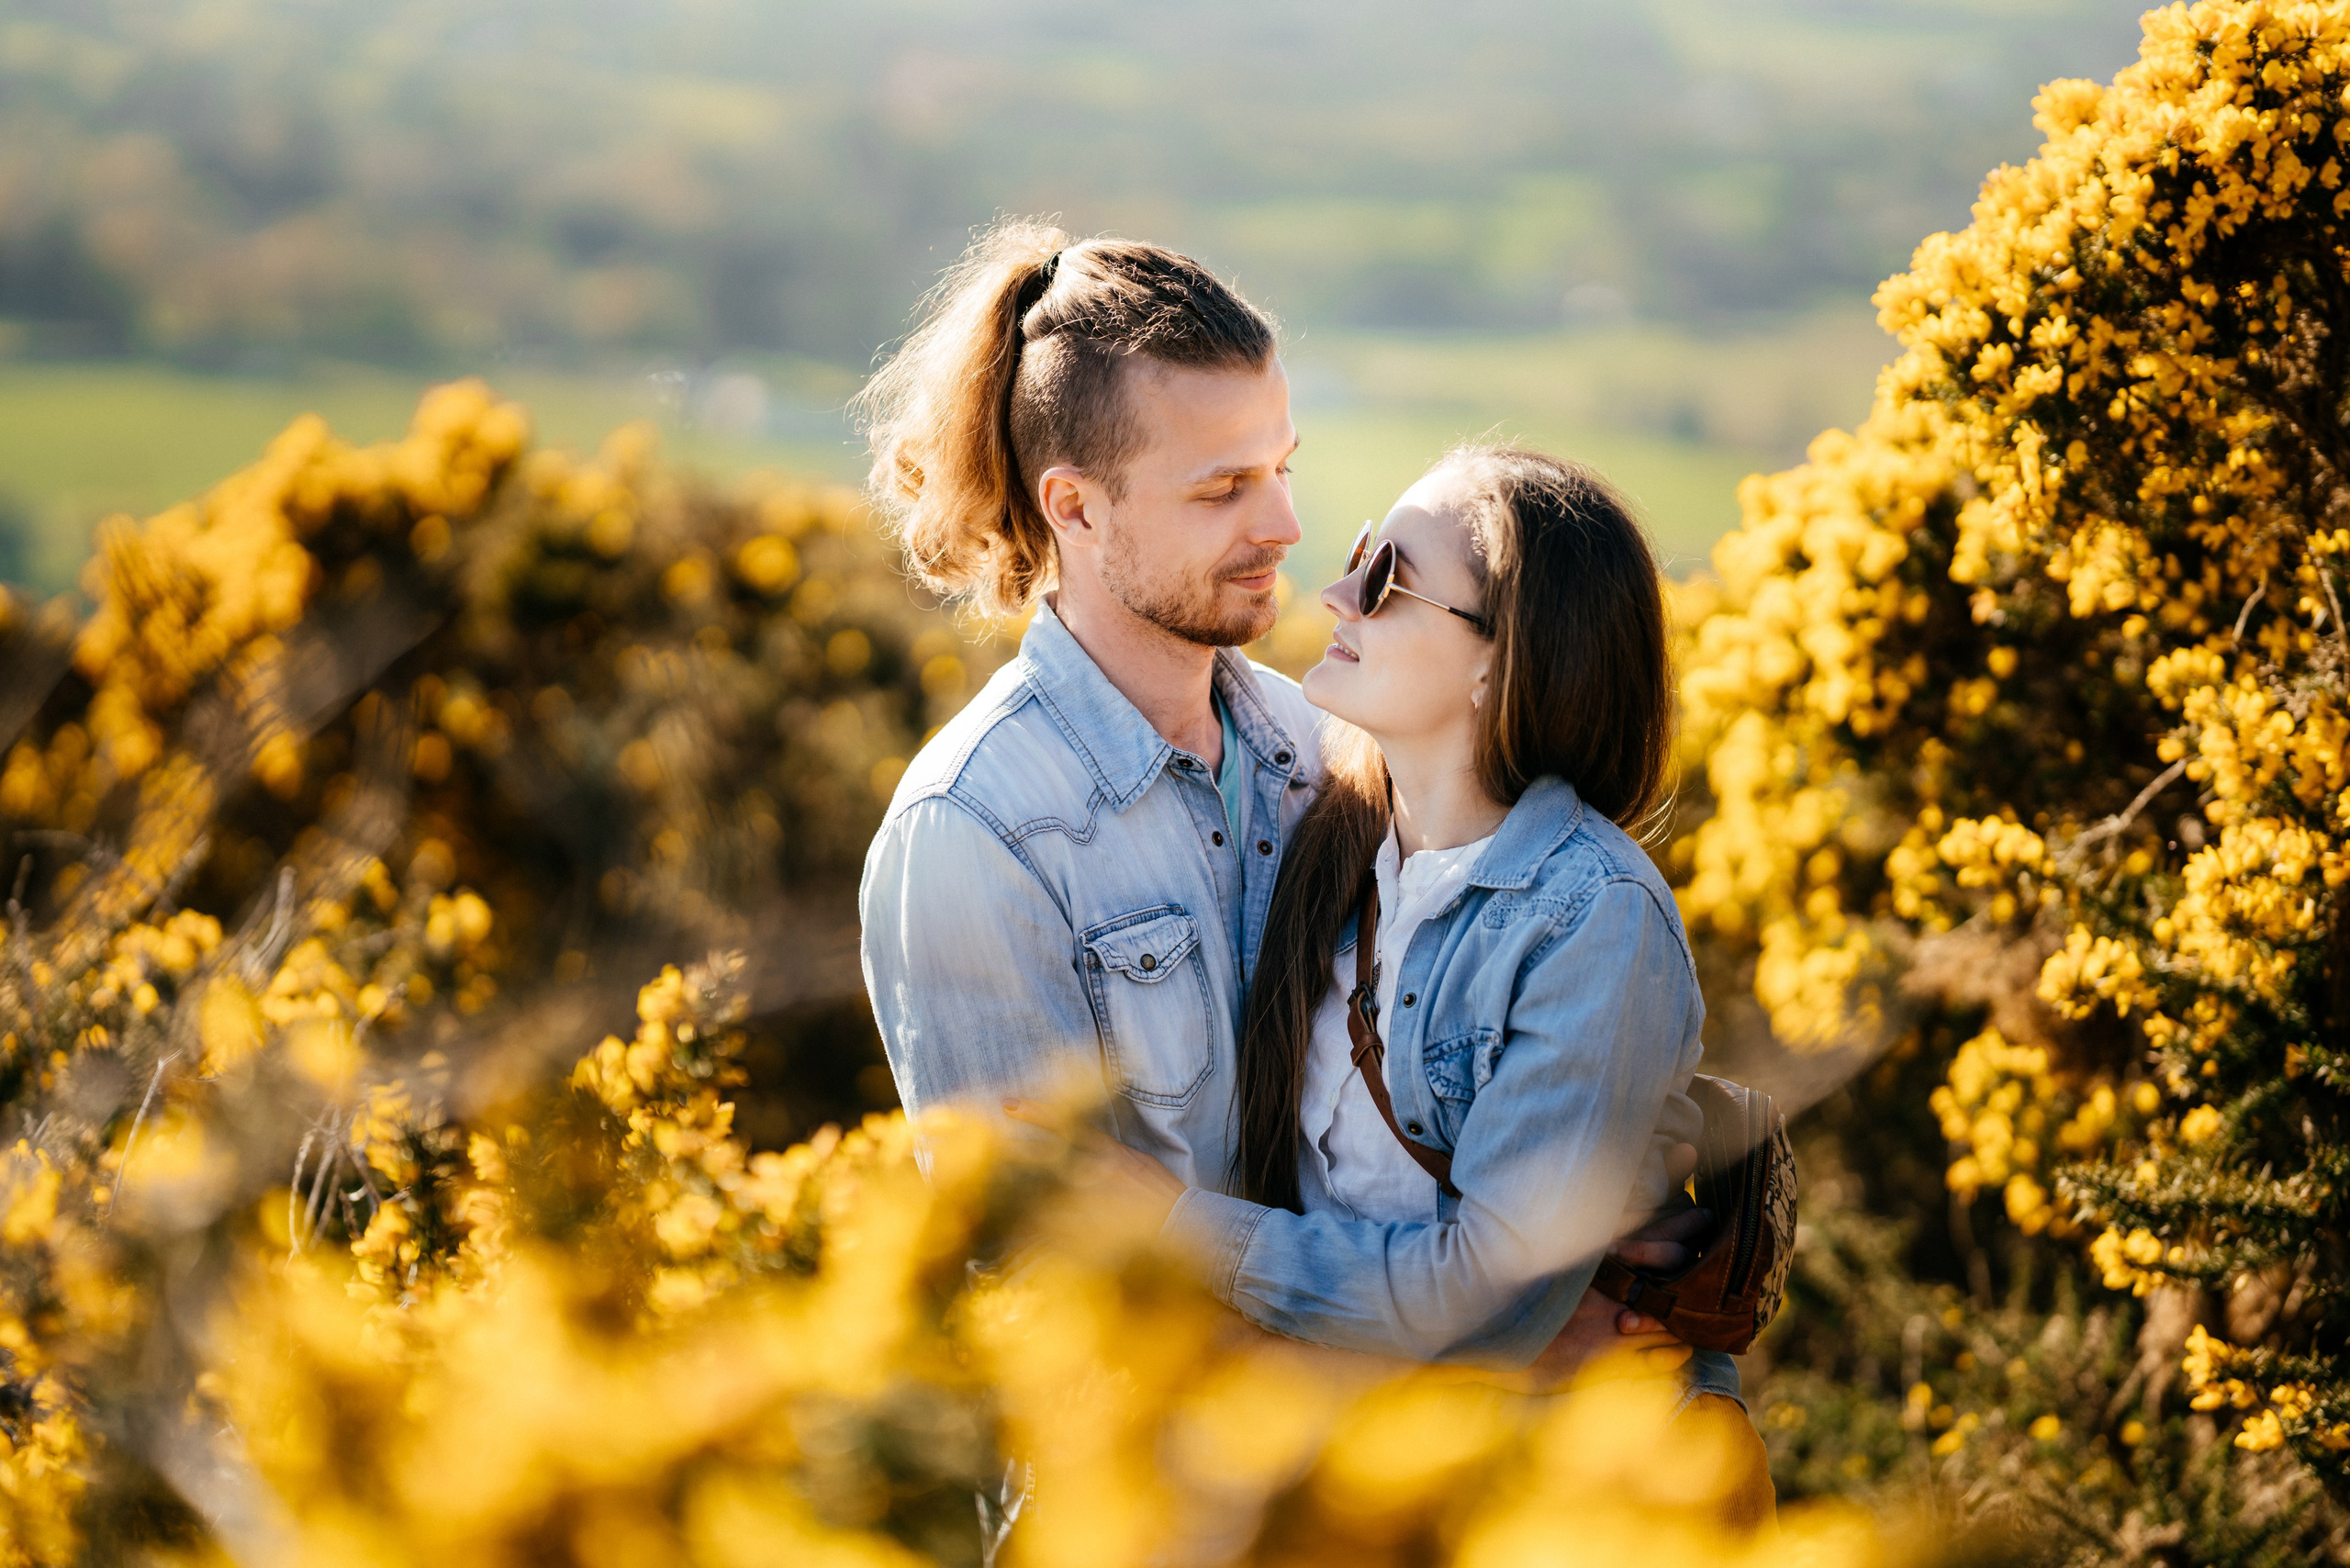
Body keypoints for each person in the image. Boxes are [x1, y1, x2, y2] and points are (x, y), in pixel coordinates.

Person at [855, 218, 1697, 1388]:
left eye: (1282, 467)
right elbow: (1042, 1283)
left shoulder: (1327, 755)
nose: (1286, 530)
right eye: (1223, 488)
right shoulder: (974, 834)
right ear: (1077, 508)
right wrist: (1448, 1364)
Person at [1023, 447, 1774, 1531]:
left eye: (1386, 579)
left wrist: (1176, 1229)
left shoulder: (1593, 919)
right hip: (1373, 1476)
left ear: (1497, 662)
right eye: (1355, 556)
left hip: (1546, 1502)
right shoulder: (1327, 849)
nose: (1336, 592)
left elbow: (1482, 1301)